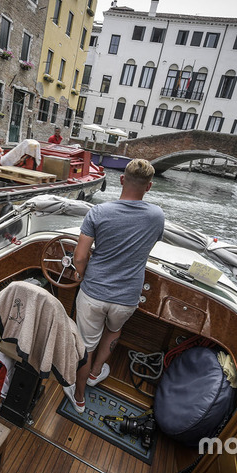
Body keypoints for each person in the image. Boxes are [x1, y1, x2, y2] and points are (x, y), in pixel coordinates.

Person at [64, 159, 165, 413]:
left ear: (121, 180)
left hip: (94, 293)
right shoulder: (156, 216)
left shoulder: (98, 213)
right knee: (113, 331)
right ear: (149, 187)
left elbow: (79, 257)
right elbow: (145, 248)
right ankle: (97, 372)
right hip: (127, 297)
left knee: (85, 345)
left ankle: (78, 397)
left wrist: (82, 274)